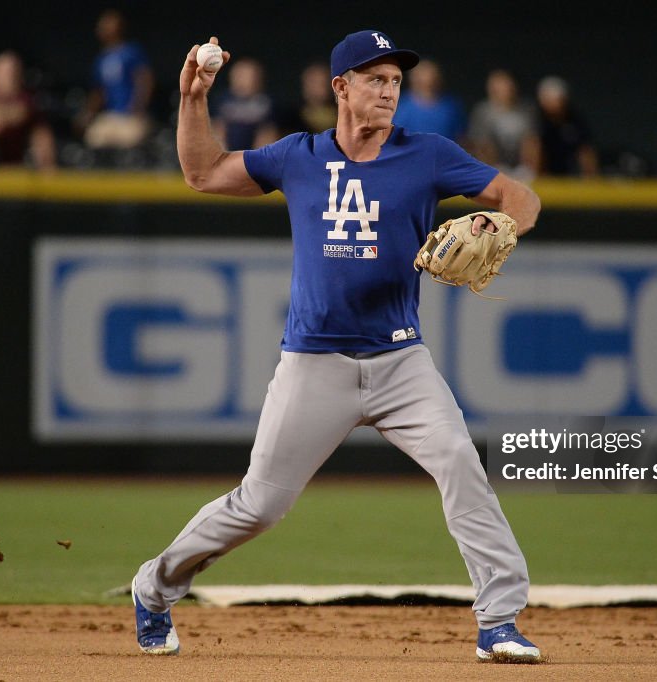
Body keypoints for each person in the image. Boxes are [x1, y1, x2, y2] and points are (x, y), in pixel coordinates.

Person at [131, 29, 543, 663]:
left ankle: (500, 621)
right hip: (314, 362)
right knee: (260, 506)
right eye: (375, 79)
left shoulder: (427, 154)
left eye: (396, 81)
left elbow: (521, 195)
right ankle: (155, 585)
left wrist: (500, 220)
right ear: (340, 88)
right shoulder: (299, 156)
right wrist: (193, 98)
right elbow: (203, 173)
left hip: (401, 360)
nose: (388, 91)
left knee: (461, 462)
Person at [77, 9, 153, 149]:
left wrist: (138, 108)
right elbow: (99, 92)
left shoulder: (131, 51)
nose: (101, 28)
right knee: (94, 138)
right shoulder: (101, 59)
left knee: (130, 140)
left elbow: (145, 80)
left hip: (131, 115)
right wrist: (88, 114)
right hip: (110, 115)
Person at [467, 69, 537, 180]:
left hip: (521, 168)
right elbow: (482, 145)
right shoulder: (483, 111)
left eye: (507, 84)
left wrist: (529, 170)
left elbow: (531, 143)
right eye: (498, 85)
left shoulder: (526, 109)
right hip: (494, 167)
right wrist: (491, 171)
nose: (505, 89)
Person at [534, 76, 598, 178]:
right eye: (550, 100)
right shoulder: (536, 120)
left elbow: (586, 151)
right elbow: (535, 150)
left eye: (559, 99)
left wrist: (591, 180)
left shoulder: (576, 120)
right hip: (543, 177)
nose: (556, 104)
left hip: (571, 174)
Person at [209, 57, 277, 150]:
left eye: (251, 75)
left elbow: (267, 134)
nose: (248, 79)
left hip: (255, 154)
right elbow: (217, 129)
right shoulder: (222, 100)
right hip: (227, 152)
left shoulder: (266, 102)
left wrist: (257, 159)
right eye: (242, 75)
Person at [393, 59, 465, 141]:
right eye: (422, 76)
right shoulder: (401, 107)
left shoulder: (451, 106)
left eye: (432, 76)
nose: (428, 80)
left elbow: (460, 136)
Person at [280, 61, 337, 135]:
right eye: (314, 82)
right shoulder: (290, 118)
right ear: (304, 84)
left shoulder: (343, 114)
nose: (322, 86)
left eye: (324, 81)